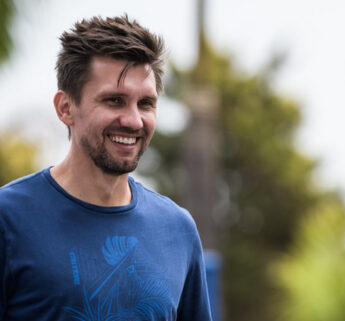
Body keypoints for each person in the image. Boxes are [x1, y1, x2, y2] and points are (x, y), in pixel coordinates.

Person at [0, 15, 213, 320]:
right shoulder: (8, 219)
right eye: (114, 100)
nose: (133, 120)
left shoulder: (177, 229)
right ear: (65, 108)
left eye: (146, 104)